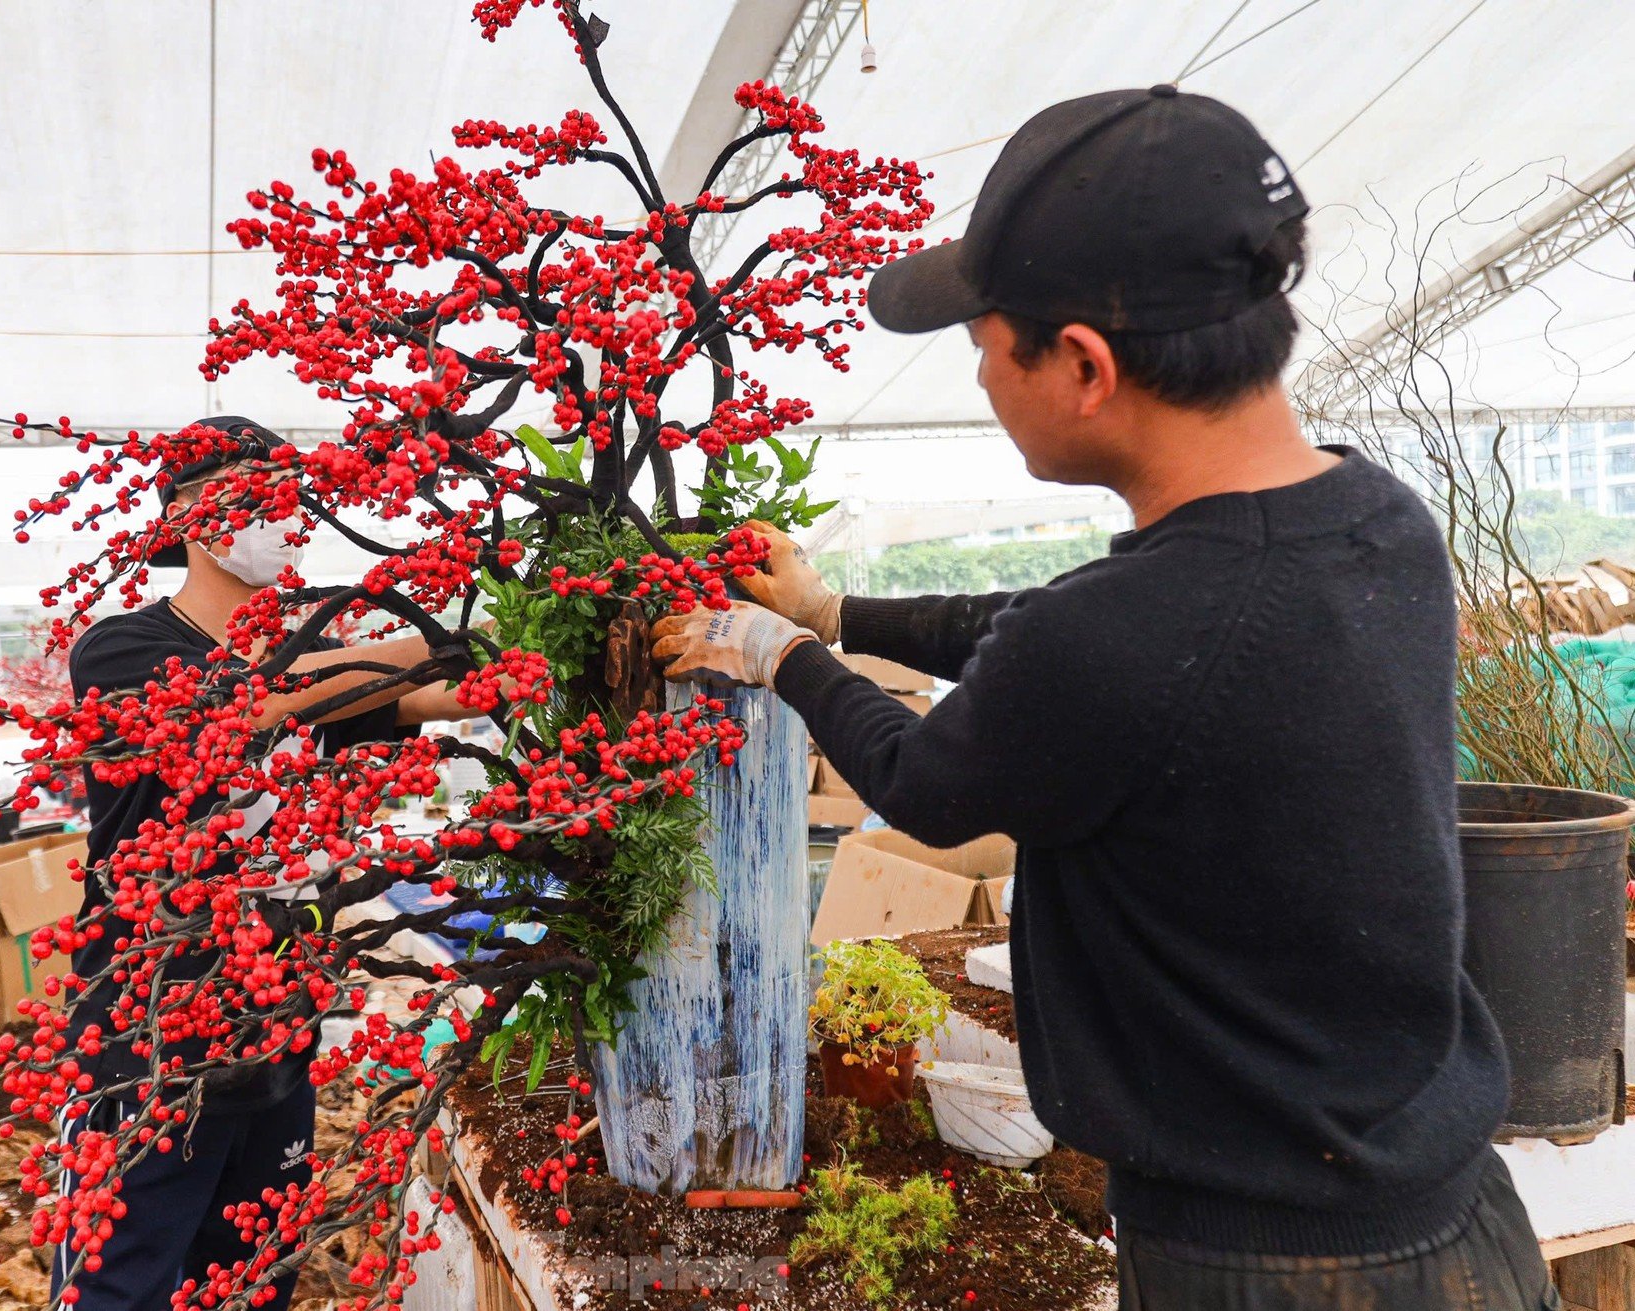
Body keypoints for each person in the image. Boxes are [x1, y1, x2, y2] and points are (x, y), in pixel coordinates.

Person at [653, 88, 1556, 1310]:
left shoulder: (1122, 636)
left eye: (983, 343)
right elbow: (1075, 630)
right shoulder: (1374, 520)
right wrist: (839, 619)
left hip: (1268, 1268)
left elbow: (931, 781)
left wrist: (780, 659)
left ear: (1080, 363)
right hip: (1456, 1220)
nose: (977, 376)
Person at [57, 416, 475, 1311]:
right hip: (153, 1035)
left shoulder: (315, 663)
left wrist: (540, 645)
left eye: (289, 499)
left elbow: (428, 692)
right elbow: (250, 699)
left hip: (277, 1024)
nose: (281, 520)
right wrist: (438, 636)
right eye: (256, 497)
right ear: (189, 515)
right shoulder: (124, 650)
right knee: (119, 1284)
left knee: (253, 1277)